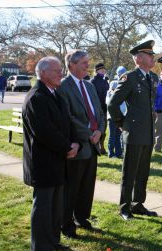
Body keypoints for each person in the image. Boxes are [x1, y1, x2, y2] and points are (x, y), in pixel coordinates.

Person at [22, 57, 80, 251]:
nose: (61, 74)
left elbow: (67, 122)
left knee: (56, 206)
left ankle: (53, 240)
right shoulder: (36, 97)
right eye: (56, 71)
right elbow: (44, 132)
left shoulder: (55, 95)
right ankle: (41, 249)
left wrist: (75, 143)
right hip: (44, 163)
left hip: (59, 160)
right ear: (43, 73)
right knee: (44, 207)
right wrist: (67, 147)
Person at [107, 40, 159, 220]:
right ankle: (124, 207)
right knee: (129, 172)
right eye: (150, 55)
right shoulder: (130, 77)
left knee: (143, 172)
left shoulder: (152, 77)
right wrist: (121, 123)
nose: (153, 58)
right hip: (134, 131)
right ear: (139, 58)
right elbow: (113, 104)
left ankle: (138, 204)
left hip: (148, 132)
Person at [57, 50, 105, 237]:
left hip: (93, 145)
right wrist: (88, 134)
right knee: (72, 187)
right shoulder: (63, 86)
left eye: (88, 61)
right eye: (84, 62)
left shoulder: (89, 85)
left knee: (87, 185)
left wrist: (99, 131)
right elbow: (67, 116)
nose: (88, 65)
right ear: (72, 65)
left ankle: (82, 218)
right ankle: (66, 224)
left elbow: (99, 112)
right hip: (77, 145)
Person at [106, 66, 127, 158]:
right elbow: (110, 101)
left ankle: (118, 153)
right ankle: (111, 153)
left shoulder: (125, 83)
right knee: (112, 136)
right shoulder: (114, 83)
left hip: (121, 115)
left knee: (119, 135)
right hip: (112, 116)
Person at [90, 63, 109, 154]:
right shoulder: (92, 81)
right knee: (95, 129)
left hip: (104, 108)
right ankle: (95, 146)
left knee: (103, 129)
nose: (103, 71)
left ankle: (102, 146)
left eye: (104, 70)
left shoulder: (105, 81)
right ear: (97, 70)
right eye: (101, 70)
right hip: (95, 109)